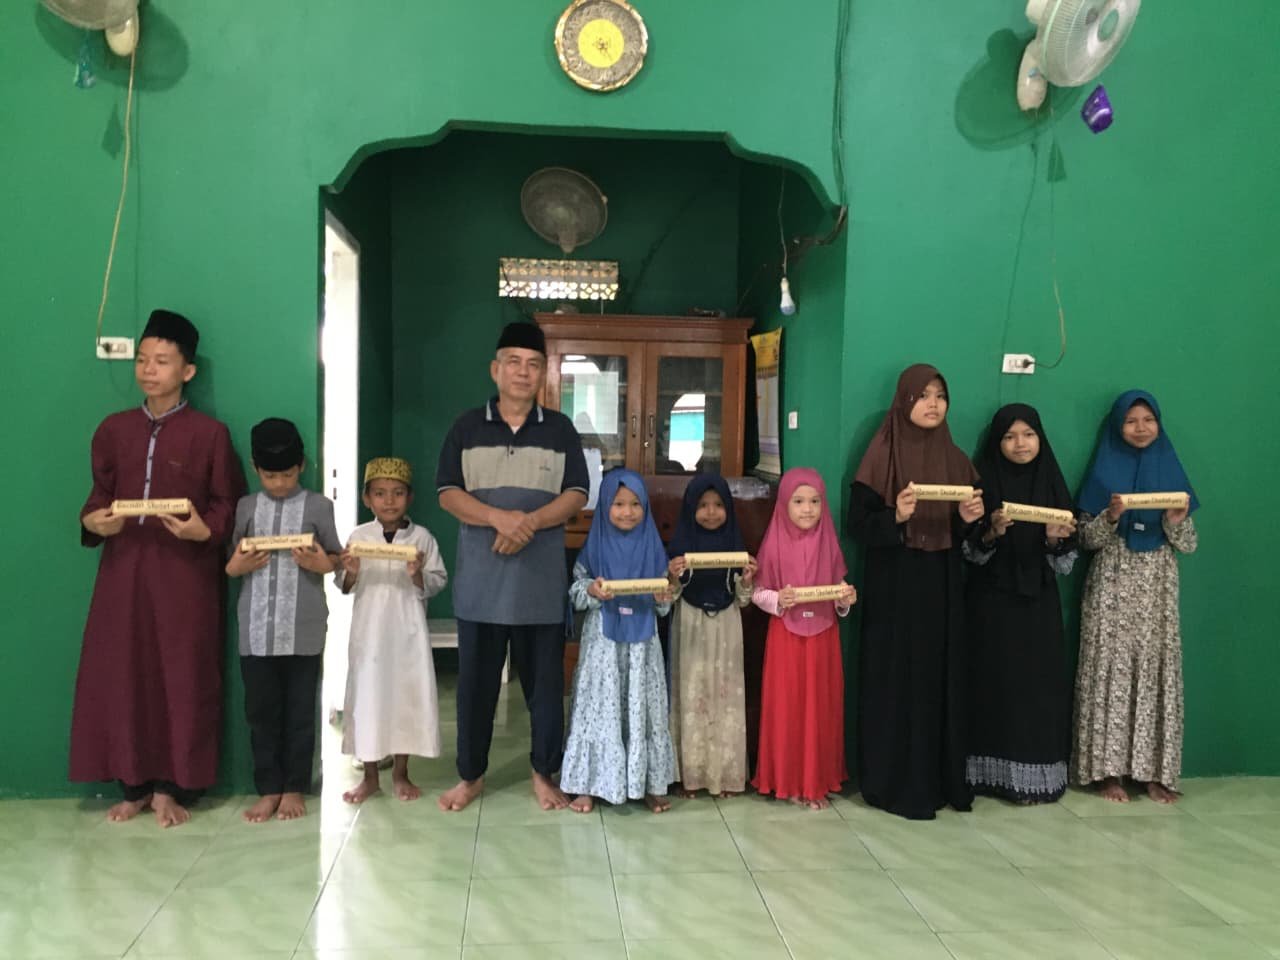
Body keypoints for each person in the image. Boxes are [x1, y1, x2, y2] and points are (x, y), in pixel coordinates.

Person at [72, 309, 246, 828]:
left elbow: (229, 505)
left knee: (182, 674)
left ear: (187, 371)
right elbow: (99, 497)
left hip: (185, 576)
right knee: (124, 673)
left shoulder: (210, 434)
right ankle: (132, 784)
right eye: (143, 360)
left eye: (162, 361)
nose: (149, 369)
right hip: (124, 572)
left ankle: (174, 786)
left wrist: (204, 531)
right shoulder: (114, 430)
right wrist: (92, 521)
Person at [435, 321, 589, 812]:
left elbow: (577, 493)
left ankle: (544, 773)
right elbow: (447, 493)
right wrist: (497, 517)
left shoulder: (561, 430)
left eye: (534, 364)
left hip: (539, 588)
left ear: (544, 373)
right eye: (514, 362)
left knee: (545, 690)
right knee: (475, 690)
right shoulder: (466, 427)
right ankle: (471, 776)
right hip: (481, 586)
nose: (524, 372)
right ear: (495, 369)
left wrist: (530, 522)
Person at [848, 364, 984, 820]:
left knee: (939, 676)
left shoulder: (957, 460)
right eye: (923, 395)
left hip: (943, 585)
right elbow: (859, 525)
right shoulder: (881, 455)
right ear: (904, 400)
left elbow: (969, 537)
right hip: (895, 586)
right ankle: (894, 781)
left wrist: (968, 521)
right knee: (898, 679)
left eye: (940, 395)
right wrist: (896, 518)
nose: (933, 404)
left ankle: (940, 779)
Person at [1073, 390, 1199, 804]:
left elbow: (1188, 544)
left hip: (1157, 590)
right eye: (1131, 421)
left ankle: (1154, 774)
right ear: (1117, 426)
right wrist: (1110, 517)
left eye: (1148, 420)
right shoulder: (1102, 473)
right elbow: (1086, 540)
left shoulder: (1171, 470)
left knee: (1155, 674)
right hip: (1112, 585)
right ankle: (1106, 774)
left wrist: (1176, 521)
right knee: (1108, 673)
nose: (1141, 428)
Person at [226, 418, 342, 822]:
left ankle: (294, 787)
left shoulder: (319, 507)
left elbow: (337, 558)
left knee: (300, 712)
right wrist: (237, 566)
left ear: (302, 466)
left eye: (288, 475)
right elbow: (230, 560)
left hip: (303, 629)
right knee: (261, 713)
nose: (279, 484)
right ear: (255, 469)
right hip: (256, 631)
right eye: (270, 476)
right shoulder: (245, 507)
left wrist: (323, 563)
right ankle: (269, 788)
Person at [963, 404, 1077, 804]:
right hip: (991, 604)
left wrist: (1053, 539)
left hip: (1038, 605)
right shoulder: (984, 483)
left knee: (1035, 691)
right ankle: (985, 775)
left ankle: (1035, 778)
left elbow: (1065, 561)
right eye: (1010, 437)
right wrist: (991, 532)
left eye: (1028, 435)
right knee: (993, 685)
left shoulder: (1052, 484)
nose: (1020, 444)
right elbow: (969, 552)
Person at [562, 469, 678, 813]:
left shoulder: (653, 548)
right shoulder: (594, 547)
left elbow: (665, 602)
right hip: (604, 643)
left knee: (642, 707)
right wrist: (592, 590)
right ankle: (587, 784)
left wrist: (663, 596)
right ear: (604, 507)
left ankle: (647, 782)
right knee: (600, 707)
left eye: (635, 504)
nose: (628, 512)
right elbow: (576, 592)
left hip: (643, 645)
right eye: (618, 504)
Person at [338, 457, 447, 803]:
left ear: (409, 497)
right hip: (369, 635)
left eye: (398, 493)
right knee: (368, 699)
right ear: (367, 499)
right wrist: (351, 570)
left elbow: (438, 580)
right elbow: (344, 584)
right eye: (380, 493)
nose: (389, 501)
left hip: (407, 634)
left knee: (405, 699)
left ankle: (401, 773)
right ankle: (370, 777)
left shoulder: (422, 538)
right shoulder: (359, 536)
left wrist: (417, 573)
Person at [751, 468, 855, 810]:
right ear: (784, 504)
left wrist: (844, 599)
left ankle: (816, 780)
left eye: (814, 501)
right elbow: (758, 593)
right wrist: (778, 599)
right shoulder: (773, 543)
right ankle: (789, 781)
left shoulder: (829, 543)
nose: (808, 509)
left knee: (821, 709)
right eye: (798, 501)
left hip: (823, 639)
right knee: (789, 709)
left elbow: (838, 592)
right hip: (787, 640)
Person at [666, 474, 757, 799]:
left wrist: (747, 580)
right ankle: (689, 777)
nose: (710, 512)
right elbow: (669, 597)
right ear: (690, 508)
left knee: (724, 697)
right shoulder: (680, 546)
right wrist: (672, 577)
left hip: (726, 628)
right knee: (692, 696)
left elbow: (743, 600)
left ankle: (725, 776)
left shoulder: (734, 544)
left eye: (718, 505)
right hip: (690, 626)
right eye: (702, 505)